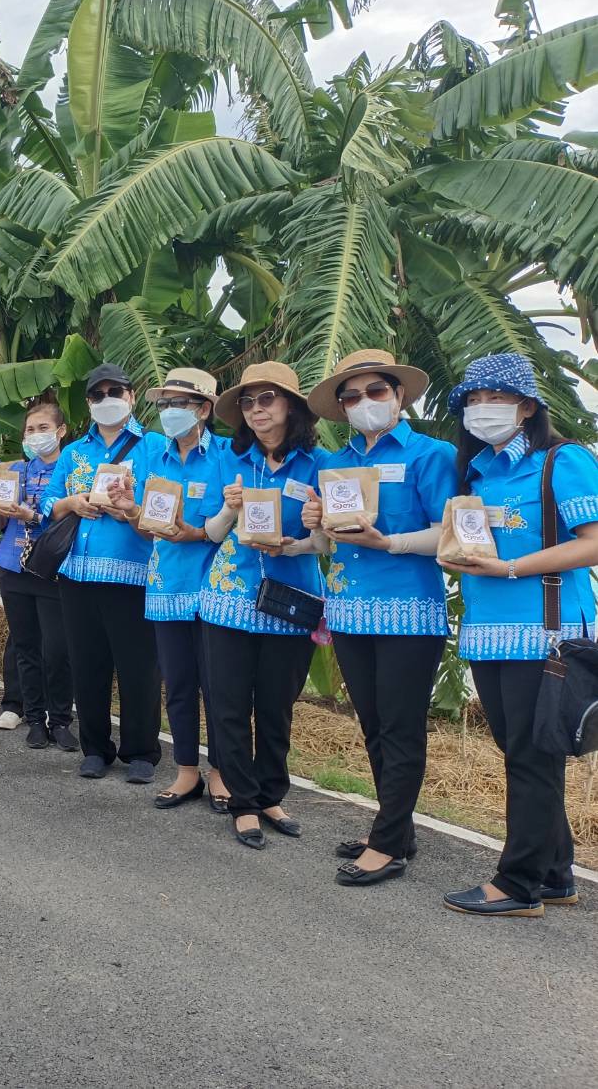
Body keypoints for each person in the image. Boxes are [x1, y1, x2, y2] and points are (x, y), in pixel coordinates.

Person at [437, 354, 598, 917]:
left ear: (527, 406)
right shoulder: (478, 471)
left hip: (544, 632)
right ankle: (555, 874)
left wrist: (510, 568)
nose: (482, 410)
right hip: (488, 630)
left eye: (495, 399)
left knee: (531, 758)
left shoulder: (562, 461)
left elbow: (593, 541)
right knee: (520, 752)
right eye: (473, 402)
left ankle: (518, 883)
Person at [302, 349, 456, 886]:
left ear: (399, 396)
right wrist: (314, 522)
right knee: (372, 726)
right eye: (351, 396)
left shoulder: (431, 455)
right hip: (348, 609)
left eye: (376, 392)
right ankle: (397, 829)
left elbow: (449, 533)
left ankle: (388, 844)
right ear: (341, 409)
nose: (364, 402)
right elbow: (324, 542)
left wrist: (388, 541)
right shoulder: (333, 463)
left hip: (408, 611)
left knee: (401, 727)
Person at [199, 362, 325, 850]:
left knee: (277, 708)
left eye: (267, 399)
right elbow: (211, 533)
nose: (256, 411)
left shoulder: (320, 465)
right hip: (227, 599)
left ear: (291, 406)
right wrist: (230, 507)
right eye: (248, 403)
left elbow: (326, 543)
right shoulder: (231, 461)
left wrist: (297, 541)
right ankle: (244, 802)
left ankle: (272, 794)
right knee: (229, 705)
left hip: (289, 603)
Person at [40, 362, 166, 782]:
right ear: (89, 403)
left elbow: (165, 511)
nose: (107, 400)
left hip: (132, 573)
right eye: (98, 394)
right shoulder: (75, 452)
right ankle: (95, 747)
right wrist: (72, 503)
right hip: (77, 574)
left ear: (131, 397)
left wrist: (130, 510)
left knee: (138, 667)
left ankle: (142, 751)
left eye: (116, 391)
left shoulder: (155, 449)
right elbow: (48, 505)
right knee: (87, 664)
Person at [133, 369, 231, 811]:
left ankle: (221, 772)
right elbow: (144, 518)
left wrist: (197, 532)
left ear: (205, 409)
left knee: (219, 686)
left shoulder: (229, 455)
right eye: (165, 404)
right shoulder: (155, 458)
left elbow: (242, 519)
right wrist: (126, 507)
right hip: (166, 584)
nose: (170, 412)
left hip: (216, 588)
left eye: (180, 404)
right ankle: (186, 769)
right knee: (178, 684)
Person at [0, 399, 76, 750]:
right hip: (13, 565)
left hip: (53, 567)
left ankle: (61, 720)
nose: (35, 435)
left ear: (60, 431)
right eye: (30, 430)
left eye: (43, 428)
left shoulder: (72, 471)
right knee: (25, 647)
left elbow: (72, 516)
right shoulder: (14, 472)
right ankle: (35, 719)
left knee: (57, 648)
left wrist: (32, 514)